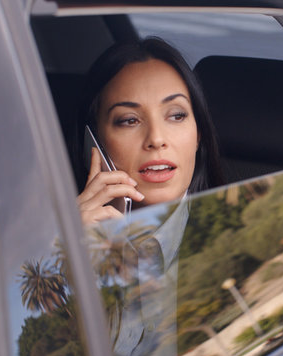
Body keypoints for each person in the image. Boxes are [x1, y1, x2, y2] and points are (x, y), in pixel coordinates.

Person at [76, 37, 223, 225]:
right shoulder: (51, 239)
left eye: (176, 116)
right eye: (129, 120)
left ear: (199, 133)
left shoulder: (246, 238)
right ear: (94, 141)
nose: (156, 138)